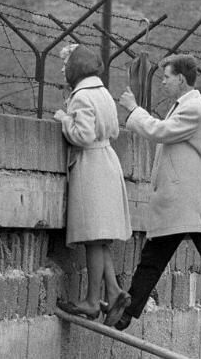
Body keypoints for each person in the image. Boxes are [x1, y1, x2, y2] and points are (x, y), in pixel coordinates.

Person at [115, 54, 201, 340]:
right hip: (179, 202)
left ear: (181, 79)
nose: (163, 82)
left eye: (166, 77)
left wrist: (133, 111)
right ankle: (126, 314)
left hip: (191, 201)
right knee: (153, 259)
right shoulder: (182, 107)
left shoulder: (194, 109)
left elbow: (160, 132)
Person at [53, 44, 133, 326]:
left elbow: (82, 135)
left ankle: (90, 301)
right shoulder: (103, 94)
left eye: (65, 65)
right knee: (100, 237)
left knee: (92, 235)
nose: (63, 70)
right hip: (108, 160)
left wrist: (64, 119)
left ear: (76, 66)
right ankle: (113, 292)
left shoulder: (81, 97)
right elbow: (112, 130)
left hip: (91, 166)